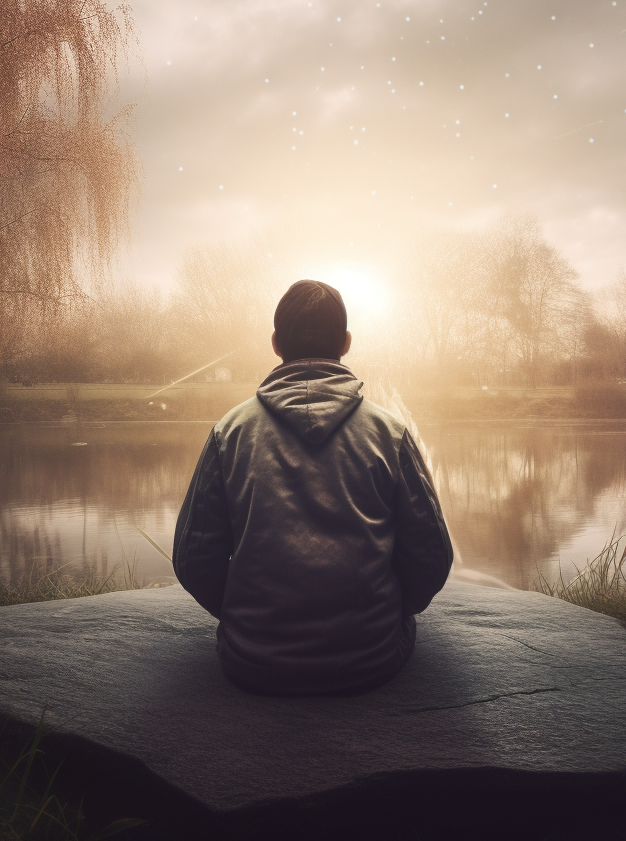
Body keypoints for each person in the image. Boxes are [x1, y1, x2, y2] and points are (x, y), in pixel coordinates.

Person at [172, 279, 454, 695]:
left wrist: (245, 619)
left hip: (252, 661)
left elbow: (194, 559)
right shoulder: (390, 433)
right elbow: (430, 556)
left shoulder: (228, 432)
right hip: (372, 658)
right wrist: (386, 614)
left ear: (275, 343)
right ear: (345, 342)